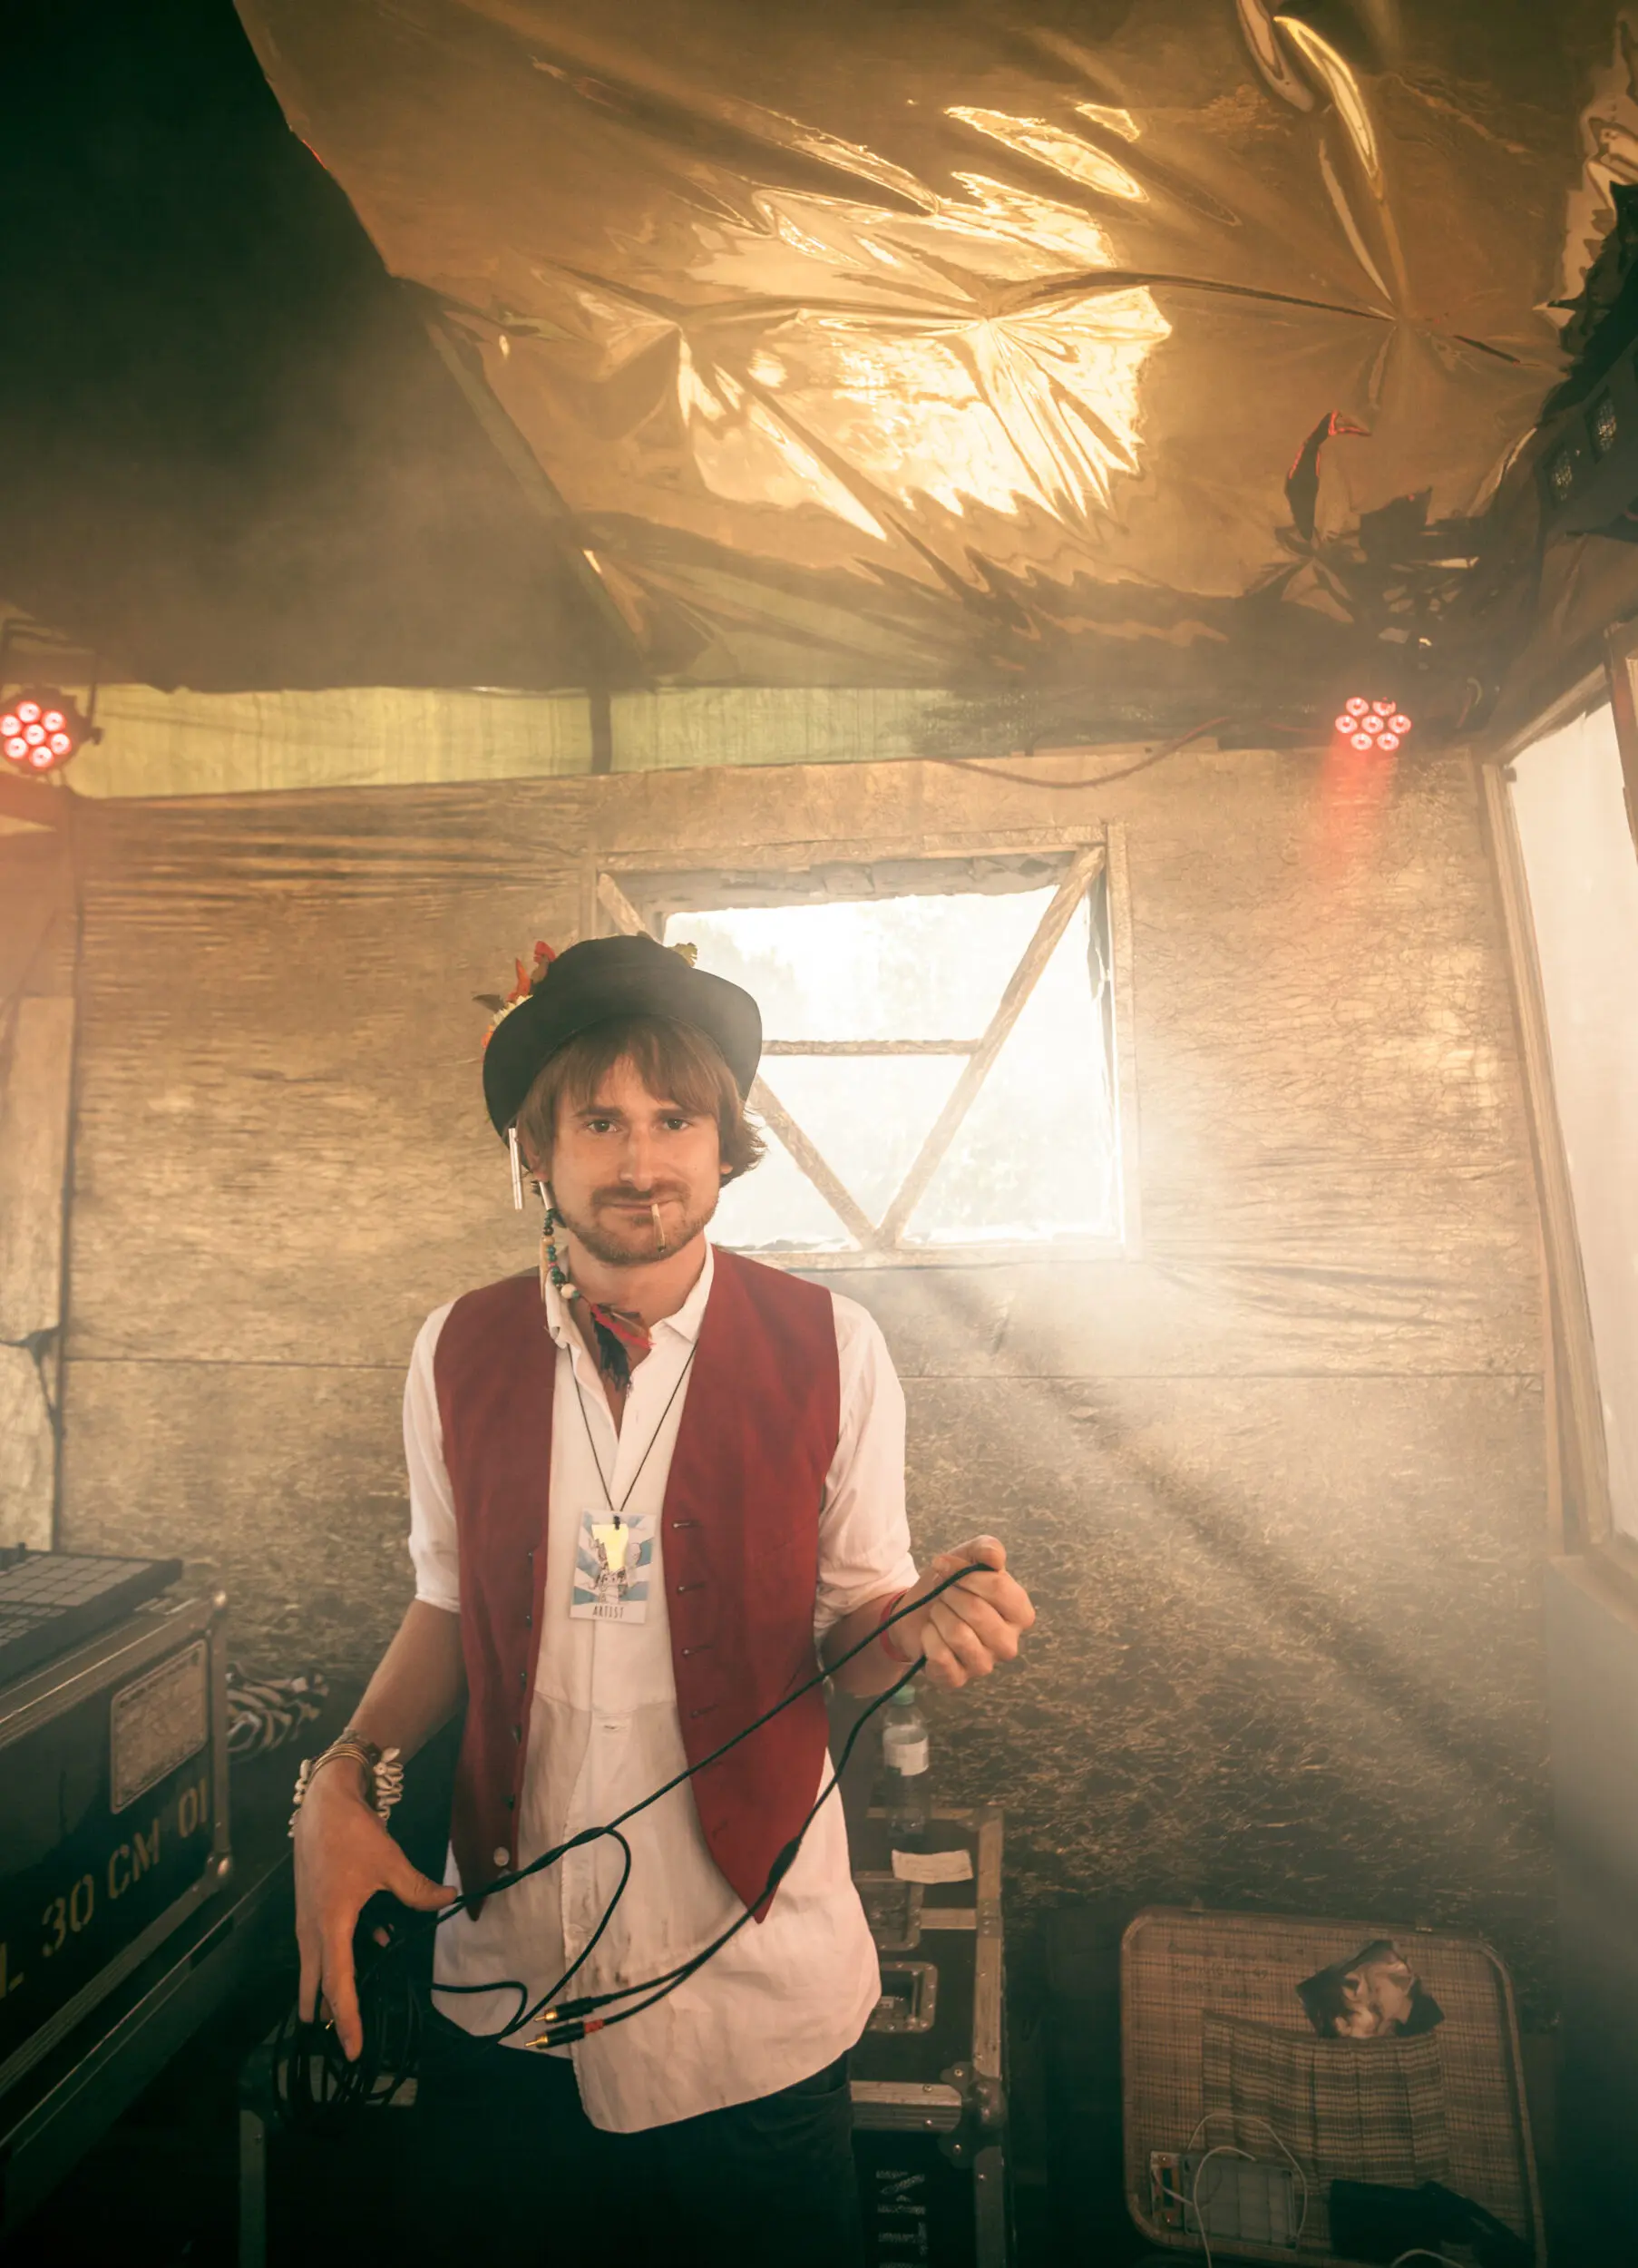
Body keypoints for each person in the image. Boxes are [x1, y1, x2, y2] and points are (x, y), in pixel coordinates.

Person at [290, 931, 1036, 2266]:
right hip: (505, 1993)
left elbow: (852, 1638)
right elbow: (447, 1608)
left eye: (675, 1119)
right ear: (538, 1152)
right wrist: (341, 1775)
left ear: (723, 1143)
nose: (642, 1160)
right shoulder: (455, 1347)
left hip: (753, 2008)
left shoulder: (833, 1346)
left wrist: (911, 1622)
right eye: (600, 1122)